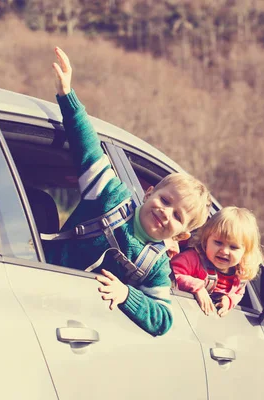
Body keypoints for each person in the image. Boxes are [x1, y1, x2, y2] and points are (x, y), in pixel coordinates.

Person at [47, 47, 211, 336]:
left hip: (75, 315)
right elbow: (89, 150)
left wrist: (126, 295)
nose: (165, 212)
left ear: (181, 235)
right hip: (43, 278)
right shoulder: (111, 197)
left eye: (177, 216)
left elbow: (163, 320)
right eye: (164, 199)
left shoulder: (156, 265)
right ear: (148, 194)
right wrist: (67, 95)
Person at [171, 206, 263, 317]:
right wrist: (197, 287)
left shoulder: (240, 275)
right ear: (206, 240)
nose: (224, 251)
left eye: (233, 247)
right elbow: (170, 273)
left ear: (245, 252)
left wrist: (228, 301)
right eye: (218, 242)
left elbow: (239, 292)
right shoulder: (193, 259)